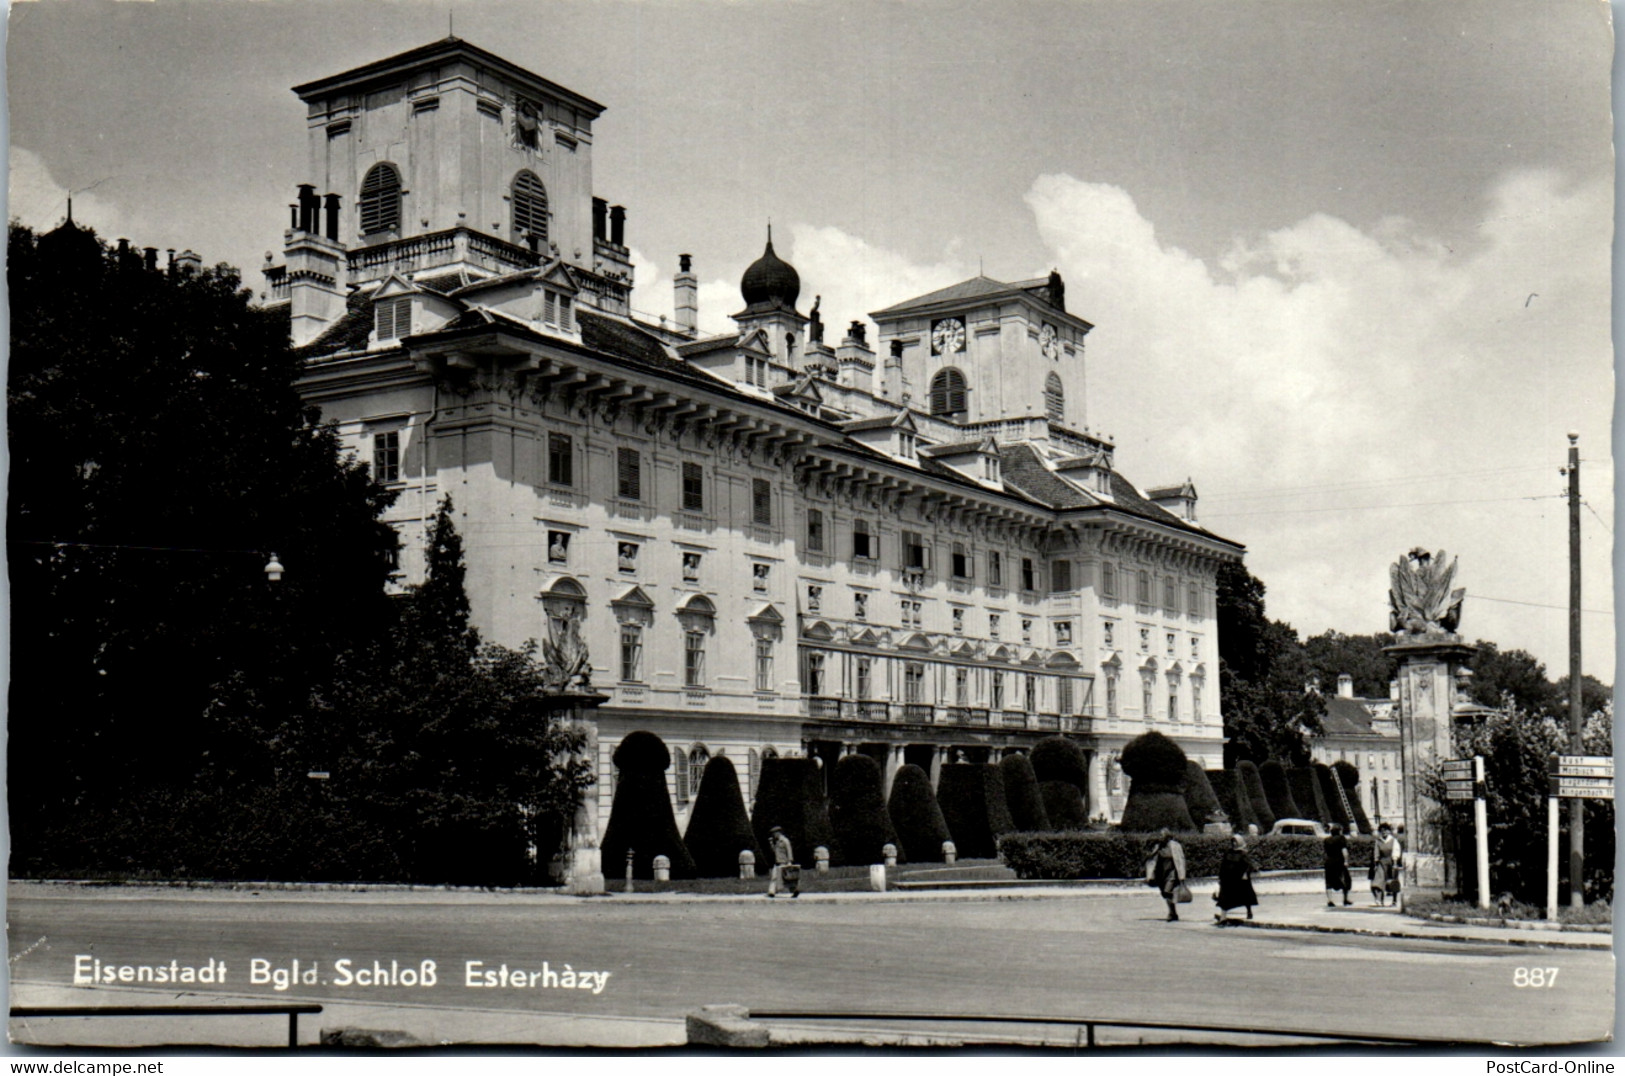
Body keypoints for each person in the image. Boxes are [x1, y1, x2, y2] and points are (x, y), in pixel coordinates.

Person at [1214, 834, 1258, 926]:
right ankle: (1223, 918)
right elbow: (1223, 865)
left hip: (1240, 879)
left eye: (1236, 841)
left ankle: (1249, 911)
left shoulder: (1243, 853)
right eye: (1233, 841)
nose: (1234, 843)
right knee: (1224, 897)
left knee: (1246, 896)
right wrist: (1220, 877)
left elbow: (1249, 866)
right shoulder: (1228, 852)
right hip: (1228, 879)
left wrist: (1246, 874)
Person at [1147, 828, 1187, 921]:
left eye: (1162, 835)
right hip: (1160, 873)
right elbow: (1151, 859)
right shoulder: (1158, 846)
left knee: (1167, 891)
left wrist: (1182, 875)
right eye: (1160, 835)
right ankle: (1173, 913)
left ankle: (1171, 913)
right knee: (1164, 893)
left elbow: (1181, 860)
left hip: (1171, 872)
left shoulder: (1175, 845)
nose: (1160, 837)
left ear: (1167, 836)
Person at [1371, 822, 1402, 906]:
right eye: (1382, 831)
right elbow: (1376, 853)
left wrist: (1395, 864)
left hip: (1391, 862)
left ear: (1389, 831)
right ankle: (1380, 900)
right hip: (1381, 862)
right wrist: (1376, 863)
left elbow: (1396, 852)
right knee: (1378, 881)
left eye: (1386, 830)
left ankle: (1394, 901)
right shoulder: (1378, 841)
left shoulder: (1393, 840)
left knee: (1393, 881)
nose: (1384, 832)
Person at [1323, 823, 1353, 907]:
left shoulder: (1326, 840)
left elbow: (1326, 852)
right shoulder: (1341, 839)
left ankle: (1330, 900)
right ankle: (1345, 899)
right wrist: (1346, 861)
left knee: (1328, 881)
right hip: (1339, 862)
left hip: (1329, 862)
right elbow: (1344, 851)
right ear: (1339, 831)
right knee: (1345, 880)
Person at [766, 825, 799, 899]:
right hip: (777, 862)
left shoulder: (785, 841)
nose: (773, 835)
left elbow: (789, 851)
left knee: (788, 879)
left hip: (784, 862)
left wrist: (790, 861)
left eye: (774, 833)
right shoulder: (776, 842)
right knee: (774, 877)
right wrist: (771, 844)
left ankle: (794, 891)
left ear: (778, 833)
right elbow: (774, 852)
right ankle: (771, 892)